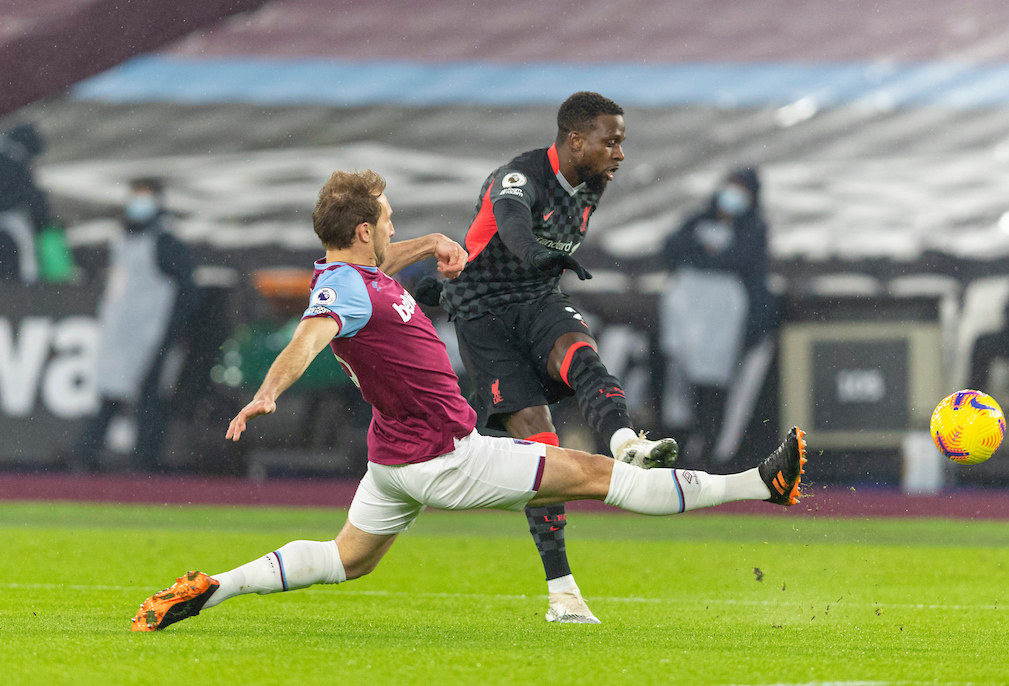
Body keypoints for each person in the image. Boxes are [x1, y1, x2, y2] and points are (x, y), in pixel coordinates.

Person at [130, 169, 808, 632]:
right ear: (364, 229)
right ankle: (760, 482)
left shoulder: (359, 275)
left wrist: (426, 244)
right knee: (603, 474)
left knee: (346, 559)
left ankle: (211, 586)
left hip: (393, 462)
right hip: (446, 457)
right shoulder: (341, 292)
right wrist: (267, 393)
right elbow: (309, 338)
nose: (394, 231)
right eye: (389, 222)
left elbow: (375, 273)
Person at [422, 92, 677, 623]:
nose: (620, 155)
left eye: (622, 142)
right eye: (612, 142)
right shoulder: (518, 176)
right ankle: (563, 592)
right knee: (542, 444)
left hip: (536, 301)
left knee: (583, 357)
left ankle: (625, 443)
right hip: (482, 315)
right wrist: (535, 252)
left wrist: (542, 266)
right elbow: (512, 222)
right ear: (575, 139)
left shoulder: (593, 182)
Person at [73, 178, 198, 471]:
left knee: (148, 398)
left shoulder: (165, 241)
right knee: (112, 393)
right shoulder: (124, 238)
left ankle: (143, 460)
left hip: (150, 334)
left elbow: (187, 290)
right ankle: (89, 455)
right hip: (121, 333)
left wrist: (173, 329)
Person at [660, 168, 777, 468]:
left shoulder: (753, 230)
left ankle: (713, 454)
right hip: (688, 323)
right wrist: (704, 253)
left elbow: (742, 262)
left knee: (716, 392)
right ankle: (680, 451)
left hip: (724, 327)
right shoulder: (698, 222)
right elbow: (672, 248)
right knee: (681, 391)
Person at [0, 123, 49, 285]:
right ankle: (29, 283)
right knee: (27, 248)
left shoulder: (12, 160)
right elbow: (33, 197)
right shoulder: (18, 165)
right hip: (11, 214)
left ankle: (28, 281)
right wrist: (42, 221)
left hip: (10, 213)